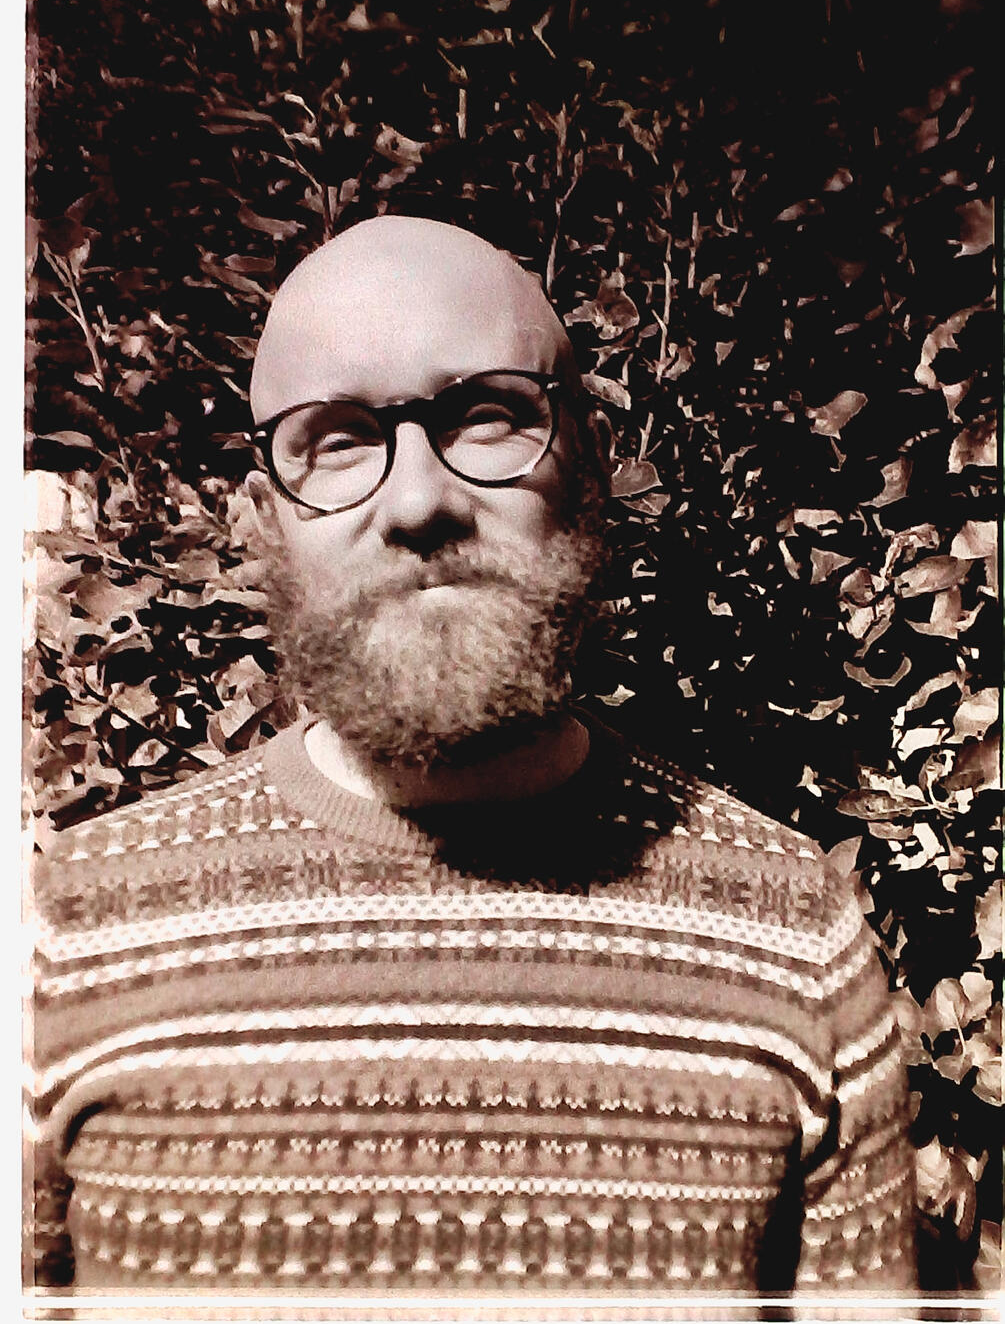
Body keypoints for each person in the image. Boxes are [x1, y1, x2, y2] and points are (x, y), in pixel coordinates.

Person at [30, 215, 917, 1297]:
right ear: (266, 520)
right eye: (337, 439)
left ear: (589, 464)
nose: (418, 503)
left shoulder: (795, 942)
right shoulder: (67, 937)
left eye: (488, 415)